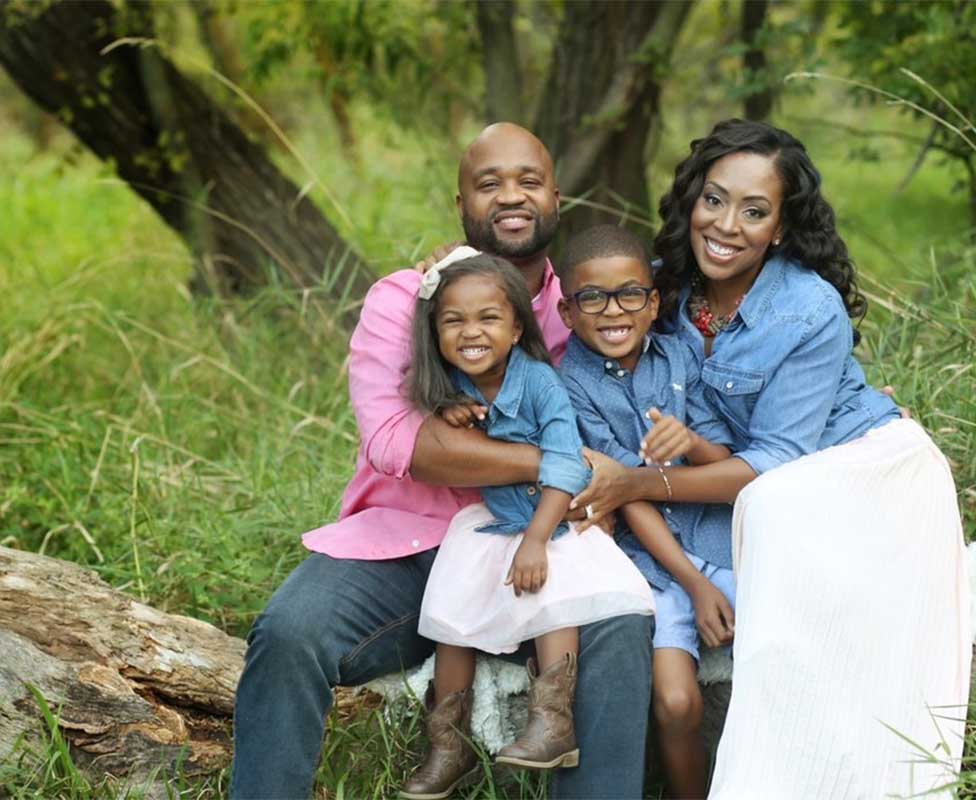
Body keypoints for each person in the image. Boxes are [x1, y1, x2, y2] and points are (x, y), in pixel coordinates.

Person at [229, 123, 654, 800]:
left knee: (620, 622)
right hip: (407, 549)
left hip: (535, 549)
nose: (511, 197)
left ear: (556, 196)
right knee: (291, 631)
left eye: (528, 181)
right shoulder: (405, 300)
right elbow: (403, 444)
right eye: (489, 184)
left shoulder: (585, 309)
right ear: (460, 203)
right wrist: (554, 460)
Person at [571, 119, 972, 797]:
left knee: (774, 531)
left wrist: (634, 483)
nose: (726, 225)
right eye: (715, 200)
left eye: (754, 211)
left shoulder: (809, 309)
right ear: (692, 200)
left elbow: (776, 464)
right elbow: (561, 316)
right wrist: (449, 276)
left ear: (781, 228)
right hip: (742, 483)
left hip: (858, 471)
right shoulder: (657, 290)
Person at [396, 250, 653, 798]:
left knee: (556, 597)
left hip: (553, 519)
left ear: (517, 327)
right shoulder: (450, 386)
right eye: (453, 320)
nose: (471, 332)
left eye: (488, 318)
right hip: (494, 522)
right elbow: (433, 427)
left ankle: (551, 725)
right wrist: (446, 411)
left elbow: (564, 461)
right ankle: (449, 744)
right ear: (434, 332)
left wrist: (537, 540)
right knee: (453, 618)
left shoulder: (540, 383)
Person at [554, 224, 738, 799]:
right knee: (677, 703)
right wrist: (693, 586)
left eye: (631, 293)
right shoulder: (568, 388)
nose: (614, 310)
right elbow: (620, 495)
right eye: (592, 297)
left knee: (784, 657)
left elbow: (723, 458)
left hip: (717, 539)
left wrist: (689, 443)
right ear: (566, 311)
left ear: (653, 301)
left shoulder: (680, 354)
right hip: (651, 568)